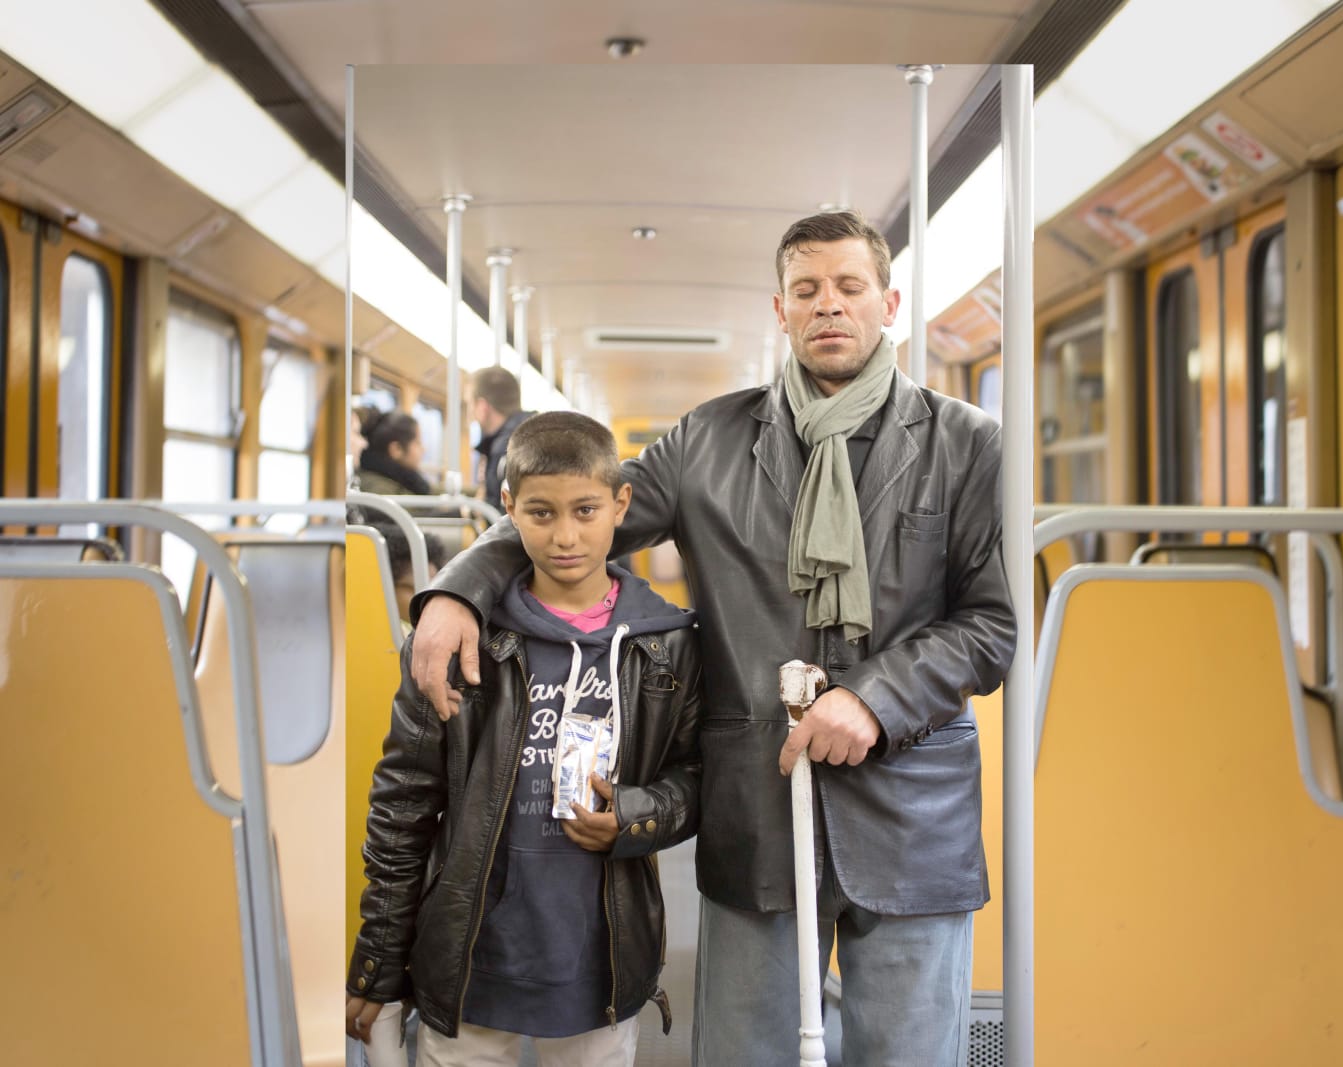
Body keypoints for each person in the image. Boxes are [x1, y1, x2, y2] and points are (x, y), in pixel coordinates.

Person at [409, 209, 1016, 1065]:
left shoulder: (968, 445)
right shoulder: (707, 440)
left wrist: (873, 699)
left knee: (911, 1051)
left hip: (914, 805)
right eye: (807, 290)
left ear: (890, 301)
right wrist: (456, 591)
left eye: (849, 287)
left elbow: (991, 624)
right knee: (745, 1051)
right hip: (758, 798)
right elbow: (580, 514)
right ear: (781, 308)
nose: (829, 306)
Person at [345, 411, 703, 1066]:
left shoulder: (666, 645)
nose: (565, 535)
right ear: (508, 508)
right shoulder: (460, 639)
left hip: (598, 967)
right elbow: (403, 801)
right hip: (471, 960)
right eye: (540, 513)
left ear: (621, 504)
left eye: (586, 510)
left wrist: (634, 814)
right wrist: (379, 957)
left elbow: (697, 777)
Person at [472, 365, 534, 511]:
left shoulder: (505, 449)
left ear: (482, 407)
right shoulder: (529, 436)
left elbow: (504, 517)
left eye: (469, 403)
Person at [355, 410, 435, 496]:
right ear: (397, 449)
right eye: (418, 442)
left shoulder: (401, 480)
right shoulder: (381, 491)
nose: (423, 449)